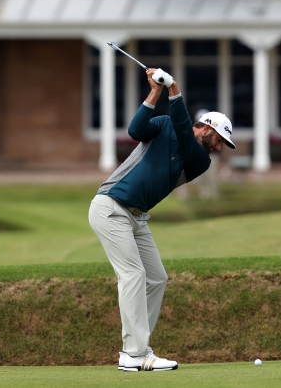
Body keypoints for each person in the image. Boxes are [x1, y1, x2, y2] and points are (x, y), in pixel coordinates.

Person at [88, 66, 235, 372]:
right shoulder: (166, 123)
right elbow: (135, 130)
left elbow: (183, 130)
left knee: (156, 277)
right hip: (111, 207)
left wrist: (174, 89)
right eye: (220, 139)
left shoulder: (200, 161)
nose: (220, 148)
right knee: (132, 275)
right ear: (206, 128)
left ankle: (139, 347)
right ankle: (134, 353)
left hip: (137, 218)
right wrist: (156, 90)